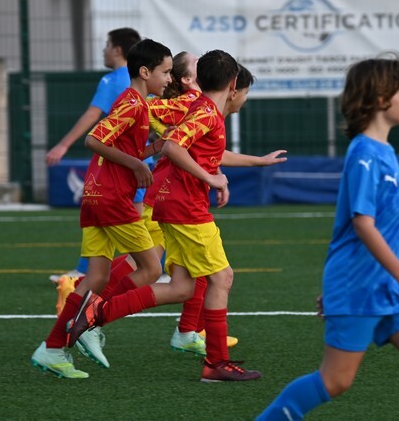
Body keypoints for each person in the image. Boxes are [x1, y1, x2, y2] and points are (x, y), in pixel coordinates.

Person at [257, 55, 399, 420]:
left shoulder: (383, 150)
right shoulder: (364, 153)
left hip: (386, 286)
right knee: (335, 380)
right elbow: (363, 224)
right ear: (381, 100)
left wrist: (395, 279)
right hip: (362, 286)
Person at [68, 50, 263, 382]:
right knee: (221, 278)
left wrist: (221, 173)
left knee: (182, 287)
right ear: (233, 85)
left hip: (174, 204)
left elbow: (185, 148)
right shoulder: (207, 112)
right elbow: (173, 146)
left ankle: (99, 312)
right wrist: (212, 178)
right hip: (185, 207)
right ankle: (216, 362)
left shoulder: (203, 109)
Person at [31, 38, 174, 379]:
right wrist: (137, 165)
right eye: (166, 72)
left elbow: (123, 148)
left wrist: (154, 148)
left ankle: (52, 348)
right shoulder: (132, 102)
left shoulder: (139, 105)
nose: (169, 79)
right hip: (112, 198)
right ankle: (93, 321)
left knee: (96, 276)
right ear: (145, 72)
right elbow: (93, 139)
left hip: (95, 197)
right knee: (151, 268)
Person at [45, 27, 142, 282]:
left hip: (120, 163)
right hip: (141, 159)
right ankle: (87, 271)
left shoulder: (113, 80)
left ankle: (153, 271)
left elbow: (92, 115)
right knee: (120, 217)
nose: (103, 50)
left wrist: (63, 145)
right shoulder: (142, 80)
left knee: (128, 219)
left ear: (117, 50)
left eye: (107, 45)